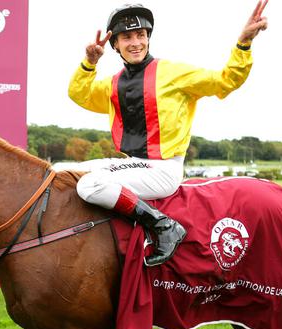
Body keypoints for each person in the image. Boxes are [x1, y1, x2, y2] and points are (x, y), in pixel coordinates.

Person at [68, 1, 268, 266]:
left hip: (163, 170)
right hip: (133, 164)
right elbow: (78, 93)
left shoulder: (174, 73)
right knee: (63, 171)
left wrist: (243, 43)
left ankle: (164, 227)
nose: (135, 42)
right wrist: (89, 63)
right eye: (127, 37)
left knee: (88, 184)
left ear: (148, 39)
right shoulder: (114, 83)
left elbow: (226, 80)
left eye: (141, 35)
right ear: (115, 45)